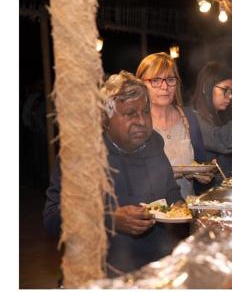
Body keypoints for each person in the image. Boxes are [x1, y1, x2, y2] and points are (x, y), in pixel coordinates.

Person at [43, 71, 189, 277]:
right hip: (103, 270)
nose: (141, 121)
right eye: (130, 114)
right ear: (105, 119)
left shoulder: (155, 146)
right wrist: (109, 219)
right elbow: (52, 218)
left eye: (145, 112)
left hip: (158, 266)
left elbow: (172, 194)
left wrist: (179, 207)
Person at [136, 52, 212, 198]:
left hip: (185, 209)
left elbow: (201, 163)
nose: (165, 86)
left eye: (170, 79)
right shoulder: (135, 124)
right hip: (149, 212)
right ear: (141, 84)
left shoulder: (189, 117)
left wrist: (204, 174)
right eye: (156, 80)